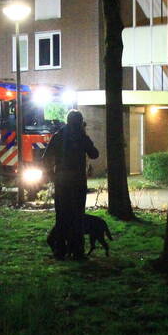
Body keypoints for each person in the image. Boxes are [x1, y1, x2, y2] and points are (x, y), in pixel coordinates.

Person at [44, 109, 99, 260]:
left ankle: (59, 250)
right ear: (80, 122)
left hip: (61, 181)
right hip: (78, 182)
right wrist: (85, 136)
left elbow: (46, 158)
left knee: (61, 215)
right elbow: (94, 154)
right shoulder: (81, 136)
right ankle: (77, 251)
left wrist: (52, 175)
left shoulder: (58, 136)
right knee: (77, 217)